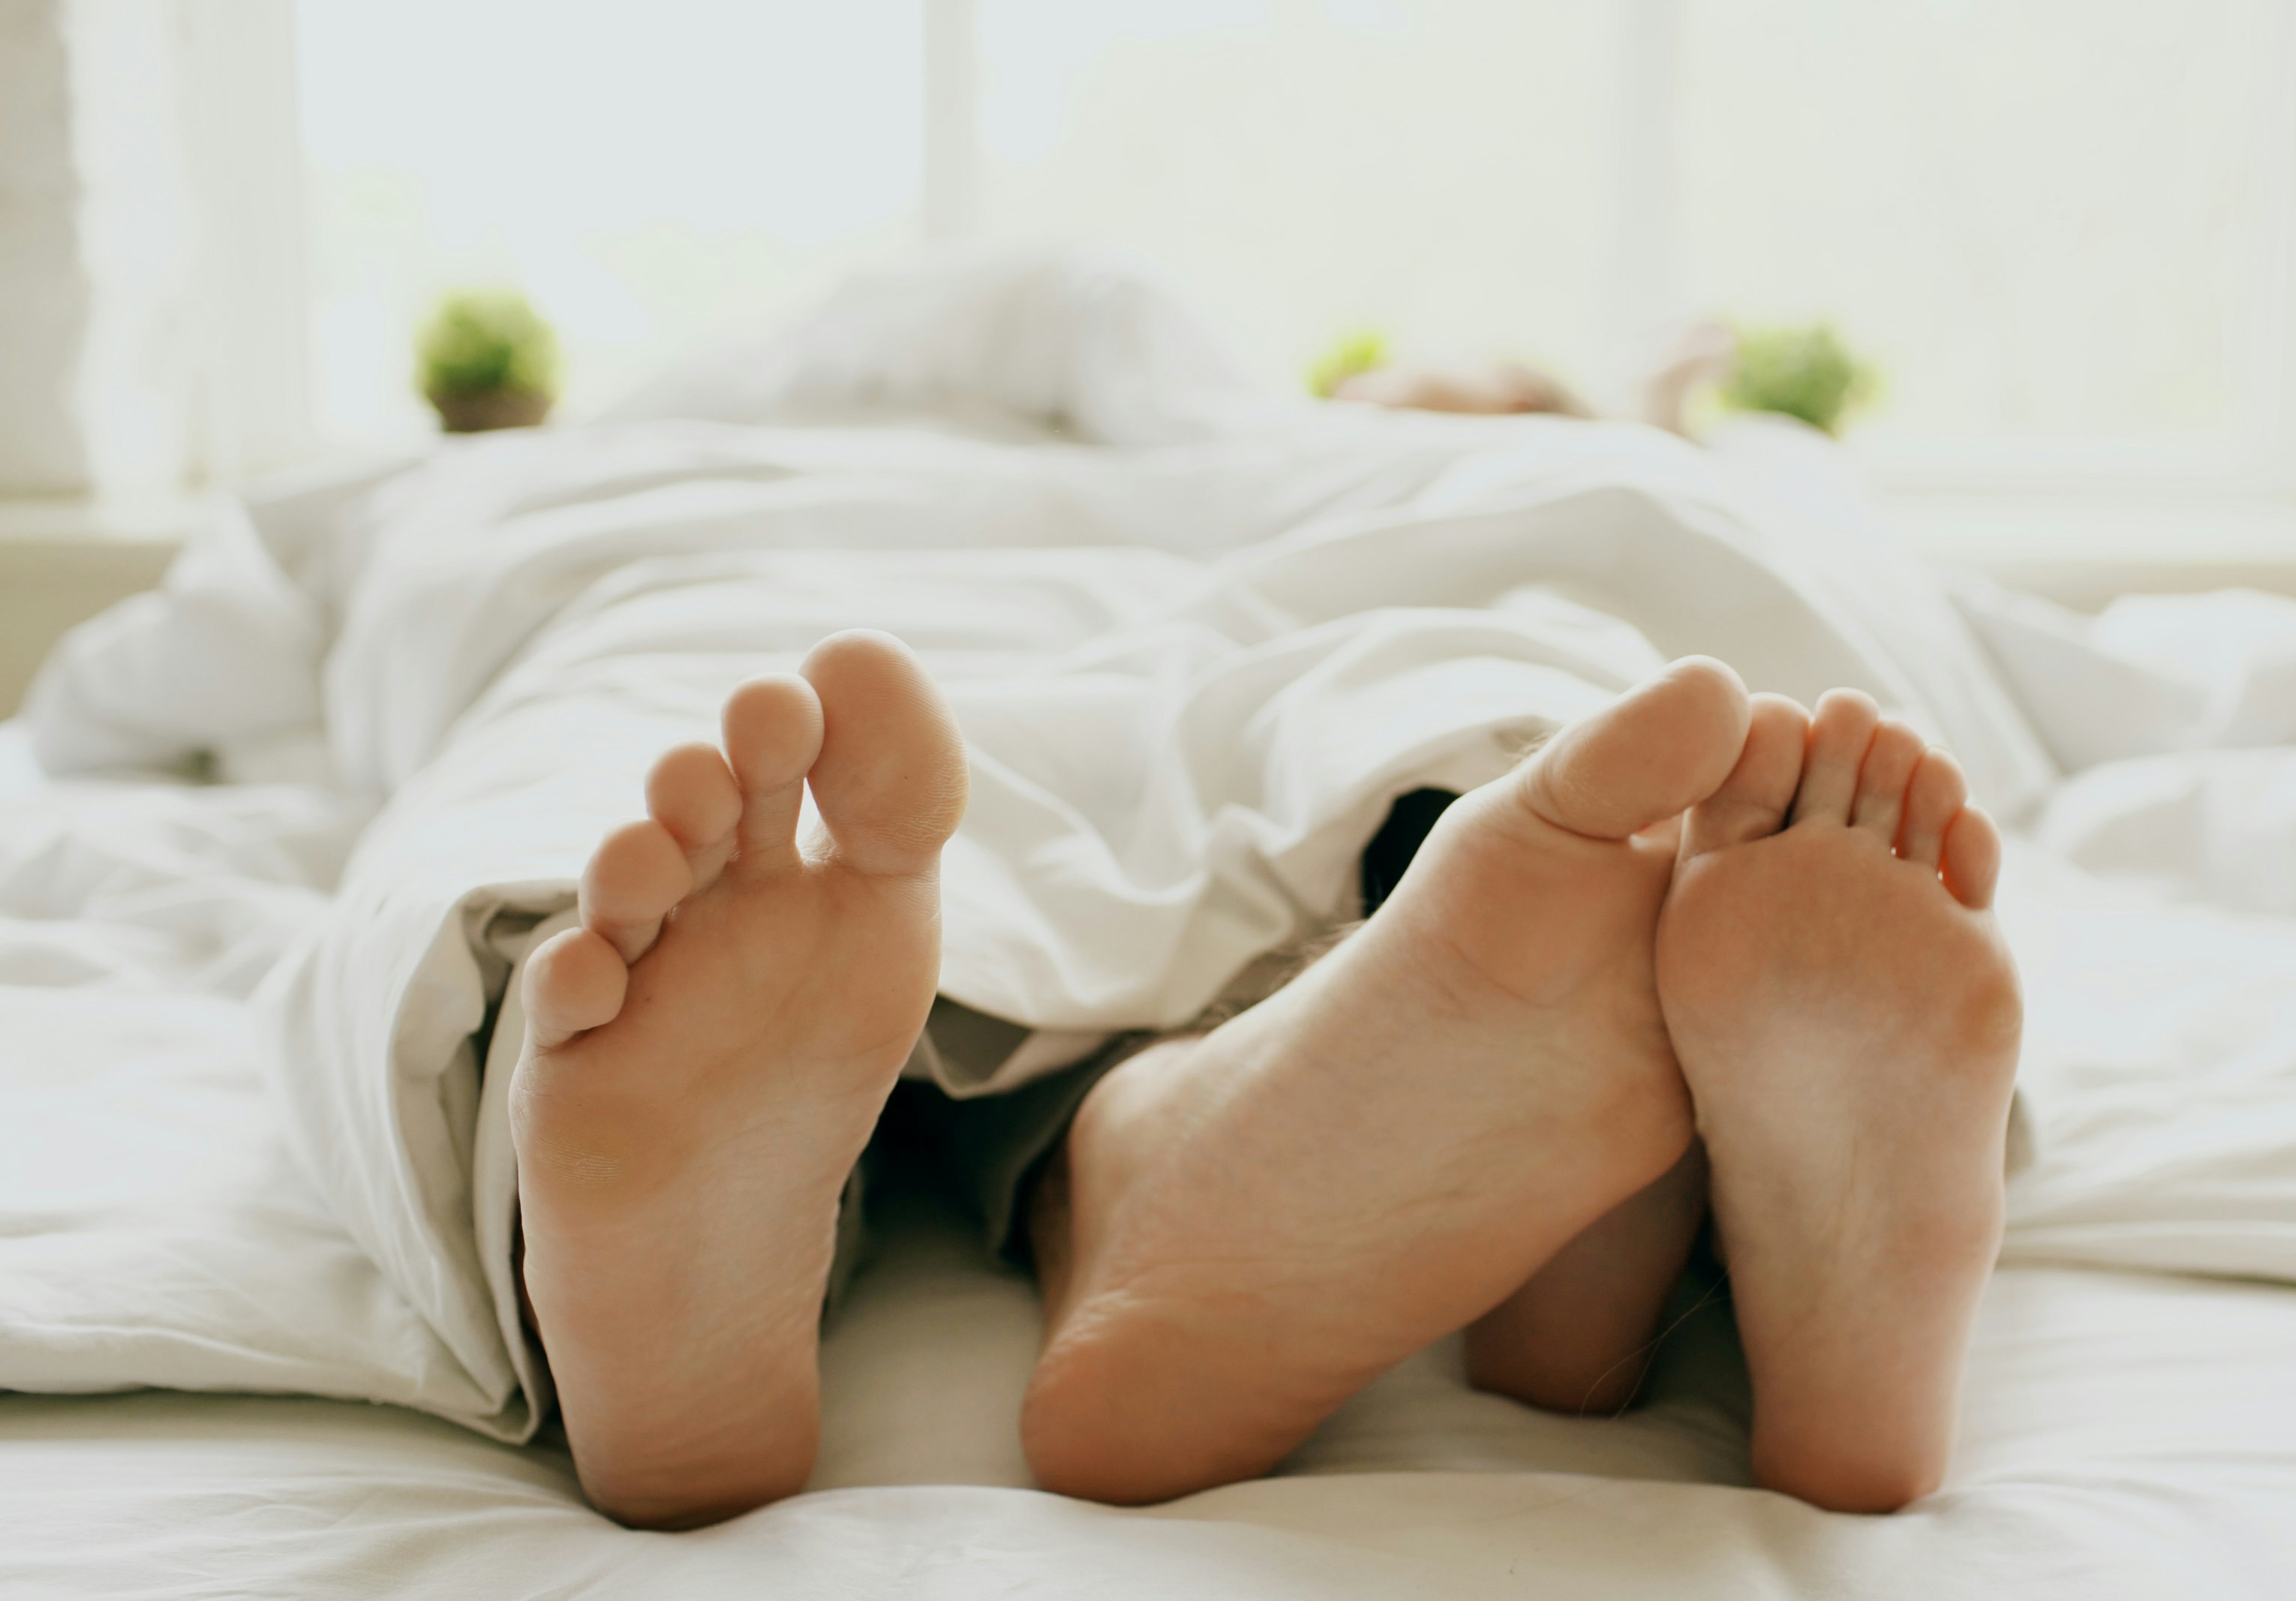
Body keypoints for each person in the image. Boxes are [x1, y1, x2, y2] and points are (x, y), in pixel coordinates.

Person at [509, 629, 2022, 1530]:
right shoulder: (1576, 472)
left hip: (1079, 806)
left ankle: (1144, 1152)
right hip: (1467, 777)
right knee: (1559, 738)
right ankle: (1622, 1210)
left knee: (882, 956)